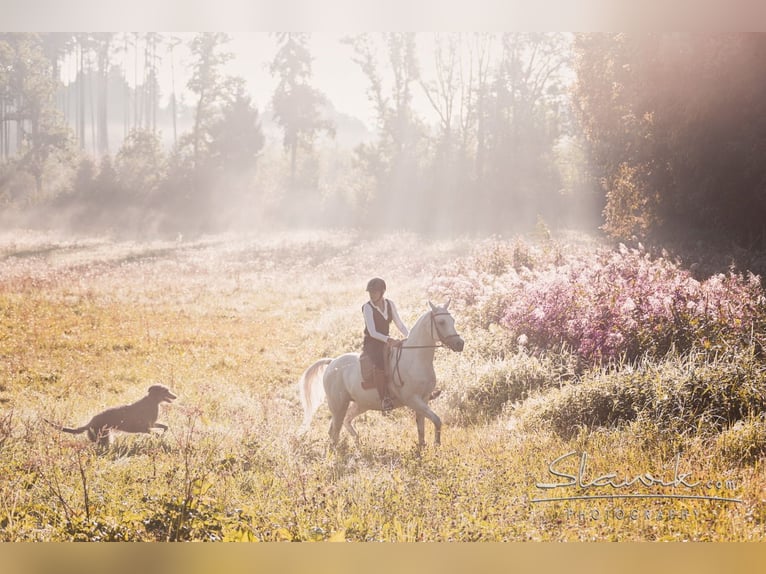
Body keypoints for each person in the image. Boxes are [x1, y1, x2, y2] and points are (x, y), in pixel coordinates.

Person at [360, 277, 409, 412]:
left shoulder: (390, 304)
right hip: (372, 343)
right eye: (370, 292)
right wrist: (389, 340)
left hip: (386, 341)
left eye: (374, 292)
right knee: (380, 363)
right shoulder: (367, 308)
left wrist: (410, 337)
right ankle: (384, 399)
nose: (372, 294)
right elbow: (372, 331)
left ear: (382, 292)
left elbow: (399, 324)